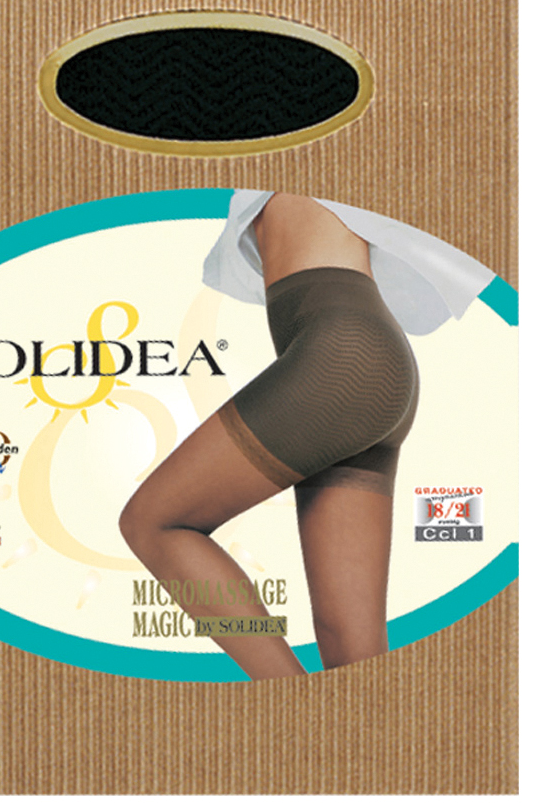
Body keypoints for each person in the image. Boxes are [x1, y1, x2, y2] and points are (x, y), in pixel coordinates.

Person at [119, 191, 494, 680]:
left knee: (153, 523)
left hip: (339, 359)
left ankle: (290, 711)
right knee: (349, 644)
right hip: (370, 357)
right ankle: (360, 732)